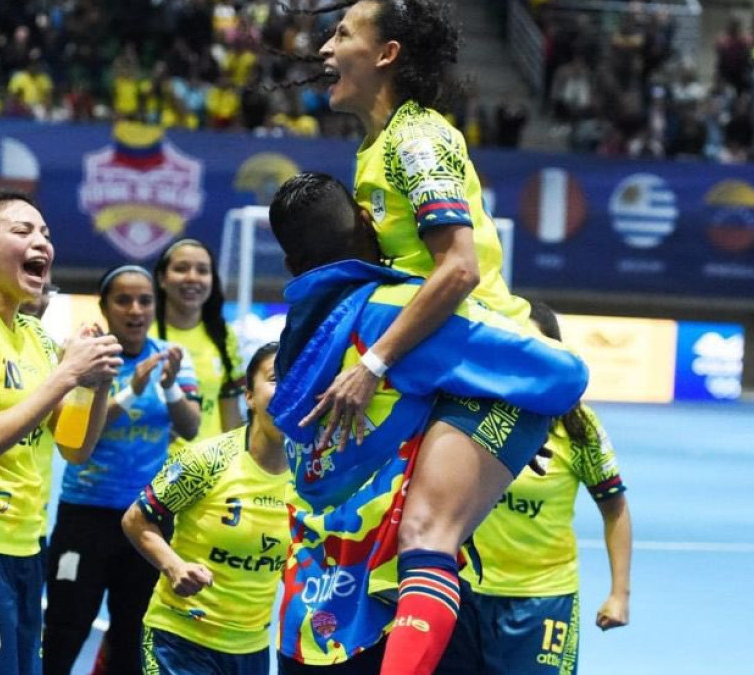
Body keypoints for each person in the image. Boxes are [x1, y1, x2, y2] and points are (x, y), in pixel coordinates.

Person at [310, 3, 588, 670]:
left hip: (494, 366)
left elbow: (458, 267)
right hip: (445, 365)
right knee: (413, 539)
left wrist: (373, 362)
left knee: (426, 534)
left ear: (387, 55)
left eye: (343, 33)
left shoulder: (417, 141)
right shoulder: (376, 148)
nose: (324, 48)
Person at [267, 172, 586, 673]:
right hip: (395, 610)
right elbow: (562, 374)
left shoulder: (292, 343)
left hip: (308, 612)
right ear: (371, 229)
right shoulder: (398, 313)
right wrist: (501, 423)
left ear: (291, 263)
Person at [0, 190, 122, 675]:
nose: (41, 241)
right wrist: (66, 375)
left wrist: (95, 384)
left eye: (45, 234)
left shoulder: (36, 336)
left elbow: (74, 448)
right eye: (22, 231)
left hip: (27, 543)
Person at [436, 300, 633, 675]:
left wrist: (619, 594)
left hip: (543, 598)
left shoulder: (578, 425)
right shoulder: (466, 412)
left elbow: (615, 509)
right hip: (461, 593)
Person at [43, 265, 201, 675]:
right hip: (84, 517)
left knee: (132, 636)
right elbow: (83, 433)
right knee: (65, 628)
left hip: (145, 523)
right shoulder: (87, 362)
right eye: (123, 300)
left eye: (144, 300)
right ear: (104, 307)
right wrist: (132, 390)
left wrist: (166, 386)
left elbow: (191, 426)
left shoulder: (174, 359)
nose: (135, 309)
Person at [122, 342, 288, 675]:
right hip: (181, 641)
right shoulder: (208, 460)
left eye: (299, 379)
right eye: (275, 379)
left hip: (251, 650)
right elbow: (135, 520)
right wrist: (173, 566)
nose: (288, 389)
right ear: (249, 396)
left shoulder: (315, 477)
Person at [152, 238, 245, 450]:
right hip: (153, 472)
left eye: (202, 270)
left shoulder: (224, 337)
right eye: (181, 269)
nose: (192, 277)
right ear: (161, 278)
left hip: (209, 473)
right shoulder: (144, 335)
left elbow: (231, 421)